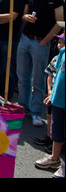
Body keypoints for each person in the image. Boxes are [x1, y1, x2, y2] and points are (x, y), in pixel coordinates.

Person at [17, 0, 64, 126]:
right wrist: (26, 17)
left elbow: (60, 21)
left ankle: (36, 112)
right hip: (25, 39)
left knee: (38, 79)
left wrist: (46, 40)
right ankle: (23, 107)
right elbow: (24, 15)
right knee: (23, 77)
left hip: (41, 41)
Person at [34, 31, 65, 178]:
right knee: (56, 132)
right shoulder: (62, 53)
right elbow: (55, 74)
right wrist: (51, 93)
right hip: (58, 100)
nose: (61, 44)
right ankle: (54, 158)